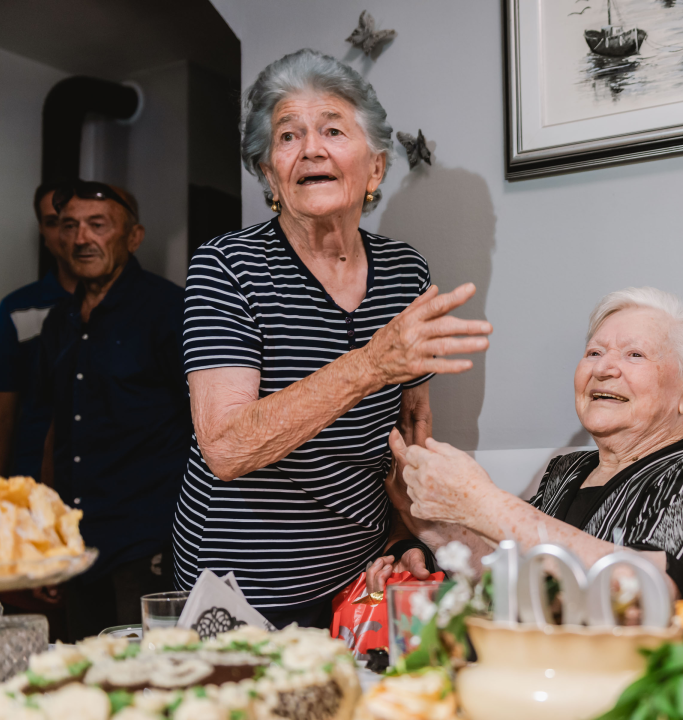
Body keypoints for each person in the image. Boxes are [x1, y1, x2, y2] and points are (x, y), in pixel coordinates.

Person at [171, 48, 492, 629]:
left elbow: (409, 428)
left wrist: (405, 532)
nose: (310, 149)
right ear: (270, 173)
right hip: (240, 585)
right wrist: (371, 363)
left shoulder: (404, 274)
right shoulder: (226, 266)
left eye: (332, 130)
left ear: (374, 167)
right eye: (288, 136)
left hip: (360, 576)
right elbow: (224, 447)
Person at [376, 288, 683, 600]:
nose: (603, 368)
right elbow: (511, 580)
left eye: (634, 354)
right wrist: (428, 525)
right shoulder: (567, 471)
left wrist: (479, 501)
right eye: (594, 352)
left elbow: (648, 592)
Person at [38, 180, 189, 640]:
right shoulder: (58, 320)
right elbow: (55, 430)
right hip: (79, 546)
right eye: (70, 226)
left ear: (133, 237)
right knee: (85, 671)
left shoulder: (169, 310)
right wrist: (48, 535)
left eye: (97, 225)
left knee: (150, 682)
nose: (81, 238)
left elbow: (204, 427)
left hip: (147, 544)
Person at [0, 183, 78, 479]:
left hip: (114, 491)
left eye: (71, 221)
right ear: (42, 231)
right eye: (54, 223)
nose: (68, 235)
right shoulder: (17, 309)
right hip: (32, 482)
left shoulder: (140, 307)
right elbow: (0, 416)